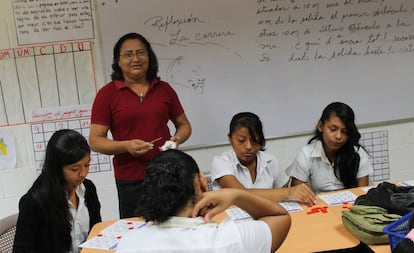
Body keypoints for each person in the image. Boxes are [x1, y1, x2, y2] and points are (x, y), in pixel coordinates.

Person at [89, 32, 192, 218]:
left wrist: (176, 140)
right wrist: (126, 146)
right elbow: (95, 141)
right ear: (118, 61)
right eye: (128, 54)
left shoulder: (164, 89)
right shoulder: (107, 94)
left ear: (149, 57)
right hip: (130, 178)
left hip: (168, 173)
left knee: (173, 226)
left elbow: (184, 126)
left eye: (141, 53)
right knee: (137, 231)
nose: (135, 59)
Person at [116, 149, 291, 253]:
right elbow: (280, 216)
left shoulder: (128, 244)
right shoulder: (228, 239)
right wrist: (236, 195)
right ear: (201, 181)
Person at [13, 129, 101, 253]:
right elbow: (21, 250)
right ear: (56, 168)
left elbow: (96, 231)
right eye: (75, 169)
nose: (83, 173)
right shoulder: (34, 202)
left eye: (86, 165)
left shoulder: (88, 189)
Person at [210, 112, 316, 204]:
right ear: (230, 138)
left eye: (254, 140)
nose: (248, 146)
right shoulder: (221, 162)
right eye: (241, 140)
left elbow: (284, 197)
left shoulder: (271, 161)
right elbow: (240, 194)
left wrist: (294, 192)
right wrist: (288, 192)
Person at [286, 102, 373, 194]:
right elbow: (298, 194)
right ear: (320, 126)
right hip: (319, 206)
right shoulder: (306, 154)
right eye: (333, 129)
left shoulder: (358, 153)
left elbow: (362, 193)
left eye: (344, 131)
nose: (338, 136)